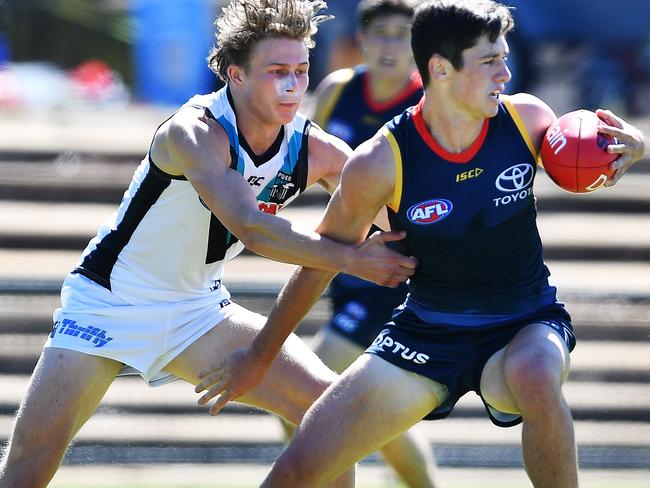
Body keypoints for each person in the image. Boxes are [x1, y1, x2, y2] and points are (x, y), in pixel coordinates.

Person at [194, 1, 647, 487]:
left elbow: (594, 147)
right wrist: (259, 356)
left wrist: (634, 146)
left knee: (537, 373)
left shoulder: (527, 118)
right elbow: (318, 262)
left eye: (504, 57)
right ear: (440, 69)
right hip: (425, 332)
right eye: (490, 61)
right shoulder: (379, 162)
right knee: (298, 469)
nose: (506, 72)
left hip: (524, 322)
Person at [0, 1, 418, 487]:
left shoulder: (313, 147)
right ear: (235, 75)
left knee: (328, 410)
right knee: (28, 467)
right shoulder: (195, 130)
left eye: (301, 70)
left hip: (198, 310)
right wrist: (351, 259)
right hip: (108, 302)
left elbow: (402, 216)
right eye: (277, 71)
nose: (293, 86)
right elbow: (251, 228)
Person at [306, 1, 441, 486]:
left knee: (307, 387)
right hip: (348, 261)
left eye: (402, 34)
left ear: (420, 47)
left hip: (398, 268)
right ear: (361, 38)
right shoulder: (337, 90)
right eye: (380, 32)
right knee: (368, 412)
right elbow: (308, 164)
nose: (389, 45)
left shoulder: (429, 103)